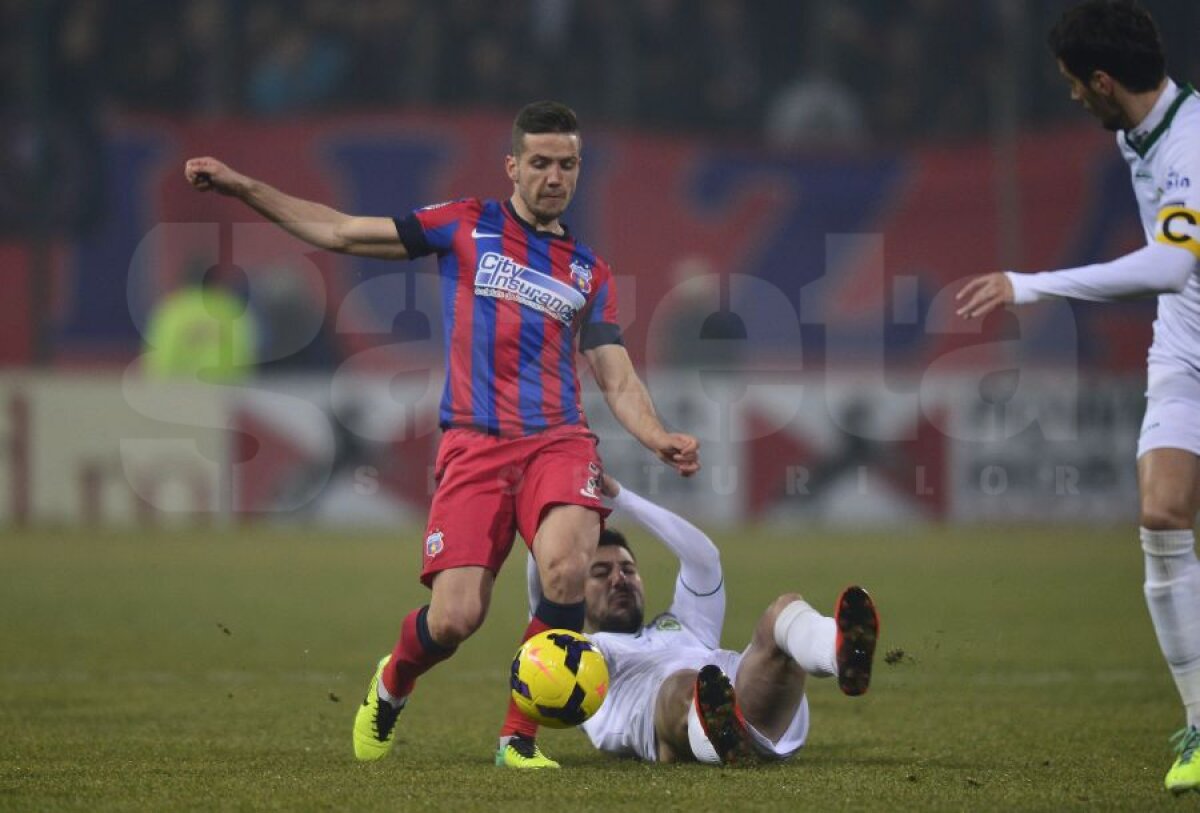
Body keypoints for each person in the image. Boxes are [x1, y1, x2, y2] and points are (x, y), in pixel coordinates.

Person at [183, 100, 700, 769]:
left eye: (566, 164)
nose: (553, 176)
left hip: (558, 441)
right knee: (456, 617)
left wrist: (657, 434)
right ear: (513, 166)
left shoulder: (589, 271)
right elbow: (341, 231)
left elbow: (615, 374)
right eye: (540, 162)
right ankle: (394, 679)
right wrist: (242, 186)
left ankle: (518, 738)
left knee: (568, 568)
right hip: (474, 445)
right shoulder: (466, 225)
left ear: (578, 170)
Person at [956, 0, 1200, 794]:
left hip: (1180, 318)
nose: (1070, 98)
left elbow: (1169, 265)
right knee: (1162, 513)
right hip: (1184, 352)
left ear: (1102, 81)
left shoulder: (1192, 139)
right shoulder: (1140, 132)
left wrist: (1033, 284)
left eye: (1072, 85)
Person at [525, 473, 879, 764]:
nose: (620, 579)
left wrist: (622, 496)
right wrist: (557, 513)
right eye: (601, 572)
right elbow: (545, 580)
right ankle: (716, 738)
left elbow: (703, 558)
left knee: (784, 611)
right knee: (682, 685)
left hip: (754, 701)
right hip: (670, 724)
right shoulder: (579, 653)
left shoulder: (686, 623)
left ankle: (841, 654)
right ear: (573, 587)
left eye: (628, 570)